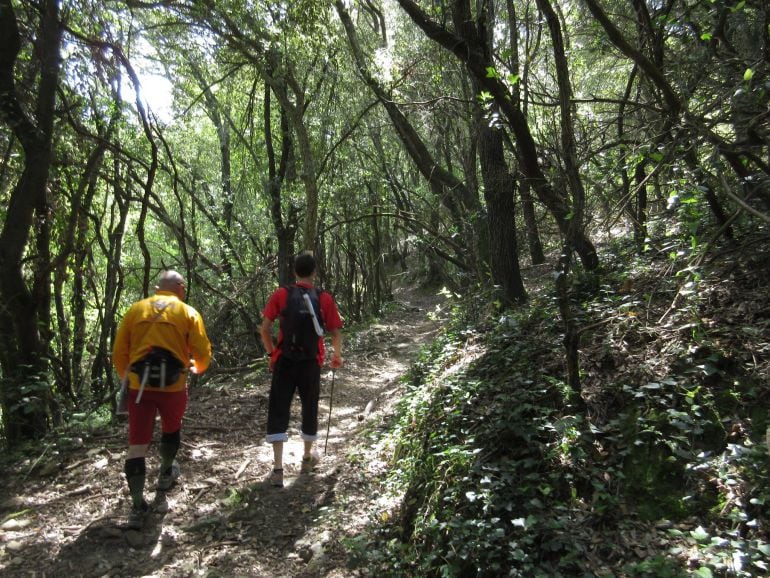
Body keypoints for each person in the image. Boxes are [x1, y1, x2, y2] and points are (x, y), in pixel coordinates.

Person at [112, 270, 211, 529]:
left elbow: (119, 352)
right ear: (179, 287)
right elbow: (202, 351)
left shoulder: (136, 310)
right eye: (184, 286)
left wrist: (129, 379)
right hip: (173, 387)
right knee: (171, 429)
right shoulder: (188, 312)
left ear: (158, 288)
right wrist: (197, 368)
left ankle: (137, 504)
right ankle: (165, 474)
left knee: (137, 445)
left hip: (139, 388)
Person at [260, 253, 343, 487]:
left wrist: (271, 354)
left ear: (294, 271)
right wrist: (337, 355)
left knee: (278, 409)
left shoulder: (281, 294)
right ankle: (307, 459)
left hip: (284, 361)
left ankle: (278, 469)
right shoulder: (324, 298)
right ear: (314, 272)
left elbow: (264, 328)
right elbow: (335, 332)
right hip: (310, 362)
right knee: (310, 406)